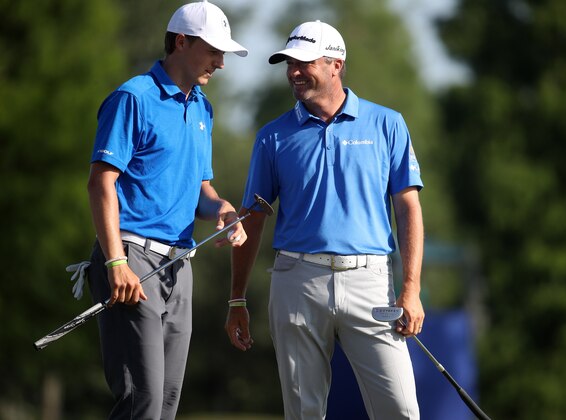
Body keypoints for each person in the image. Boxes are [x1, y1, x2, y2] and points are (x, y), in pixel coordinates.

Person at [225, 20, 424, 419]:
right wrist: (237, 297)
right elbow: (253, 220)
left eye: (304, 62)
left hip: (371, 283)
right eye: (289, 63)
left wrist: (411, 288)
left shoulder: (387, 124)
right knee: (303, 412)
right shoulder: (272, 136)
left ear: (336, 64)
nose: (294, 72)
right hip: (297, 279)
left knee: (401, 410)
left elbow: (408, 208)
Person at [85, 2, 247, 419]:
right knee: (143, 399)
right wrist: (115, 261)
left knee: (168, 400)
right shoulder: (133, 97)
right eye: (214, 50)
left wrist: (222, 209)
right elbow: (101, 182)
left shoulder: (203, 109)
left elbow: (200, 190)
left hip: (180, 264)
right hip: (132, 260)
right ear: (181, 41)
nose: (221, 63)